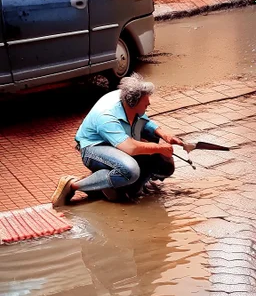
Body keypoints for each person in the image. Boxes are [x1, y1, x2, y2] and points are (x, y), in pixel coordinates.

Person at [51, 73, 184, 207]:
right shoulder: (106, 116)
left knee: (163, 164)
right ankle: (74, 185)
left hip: (117, 143)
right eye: (146, 101)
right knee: (130, 171)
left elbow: (143, 120)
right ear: (134, 102)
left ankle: (115, 185)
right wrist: (159, 148)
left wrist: (165, 135)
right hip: (93, 148)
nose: (149, 102)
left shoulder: (129, 98)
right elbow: (130, 148)